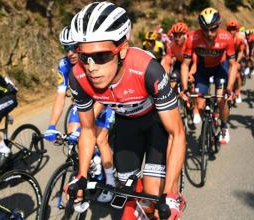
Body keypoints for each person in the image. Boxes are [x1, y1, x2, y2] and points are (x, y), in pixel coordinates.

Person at [69, 2, 186, 219]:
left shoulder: (147, 69)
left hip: (156, 124)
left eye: (102, 56)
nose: (92, 67)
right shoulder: (78, 77)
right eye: (85, 57)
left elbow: (176, 133)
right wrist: (81, 176)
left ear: (122, 49)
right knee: (127, 189)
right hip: (126, 125)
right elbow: (87, 130)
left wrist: (170, 193)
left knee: (154, 199)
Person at [43, 25, 116, 202]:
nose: (69, 53)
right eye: (65, 48)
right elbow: (60, 97)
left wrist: (87, 127)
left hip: (105, 99)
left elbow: (103, 95)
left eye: (73, 47)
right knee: (72, 131)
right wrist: (52, 126)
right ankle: (86, 166)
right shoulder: (64, 65)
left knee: (99, 139)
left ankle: (111, 183)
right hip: (85, 102)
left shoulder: (93, 60)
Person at [181, 7, 237, 144]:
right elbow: (184, 65)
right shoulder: (192, 38)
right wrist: (184, 89)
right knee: (199, 104)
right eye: (205, 29)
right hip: (203, 70)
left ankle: (224, 126)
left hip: (220, 68)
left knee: (220, 99)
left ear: (218, 25)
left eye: (213, 29)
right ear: (200, 27)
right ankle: (208, 125)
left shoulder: (227, 37)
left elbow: (233, 65)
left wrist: (229, 88)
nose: (209, 33)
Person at [161, 22, 201, 124]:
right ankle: (174, 107)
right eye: (175, 35)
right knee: (172, 82)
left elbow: (196, 62)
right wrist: (163, 75)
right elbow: (167, 60)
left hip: (192, 64)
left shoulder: (191, 44)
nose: (177, 38)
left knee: (192, 85)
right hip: (180, 64)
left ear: (185, 35)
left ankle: (195, 110)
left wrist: (190, 74)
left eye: (179, 35)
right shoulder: (171, 45)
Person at [226, 19, 248, 104]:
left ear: (237, 30)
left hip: (236, 56)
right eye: (230, 29)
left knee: (237, 75)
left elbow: (240, 51)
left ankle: (238, 92)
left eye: (233, 29)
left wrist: (237, 62)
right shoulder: (225, 37)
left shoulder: (240, 38)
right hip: (227, 56)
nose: (231, 31)